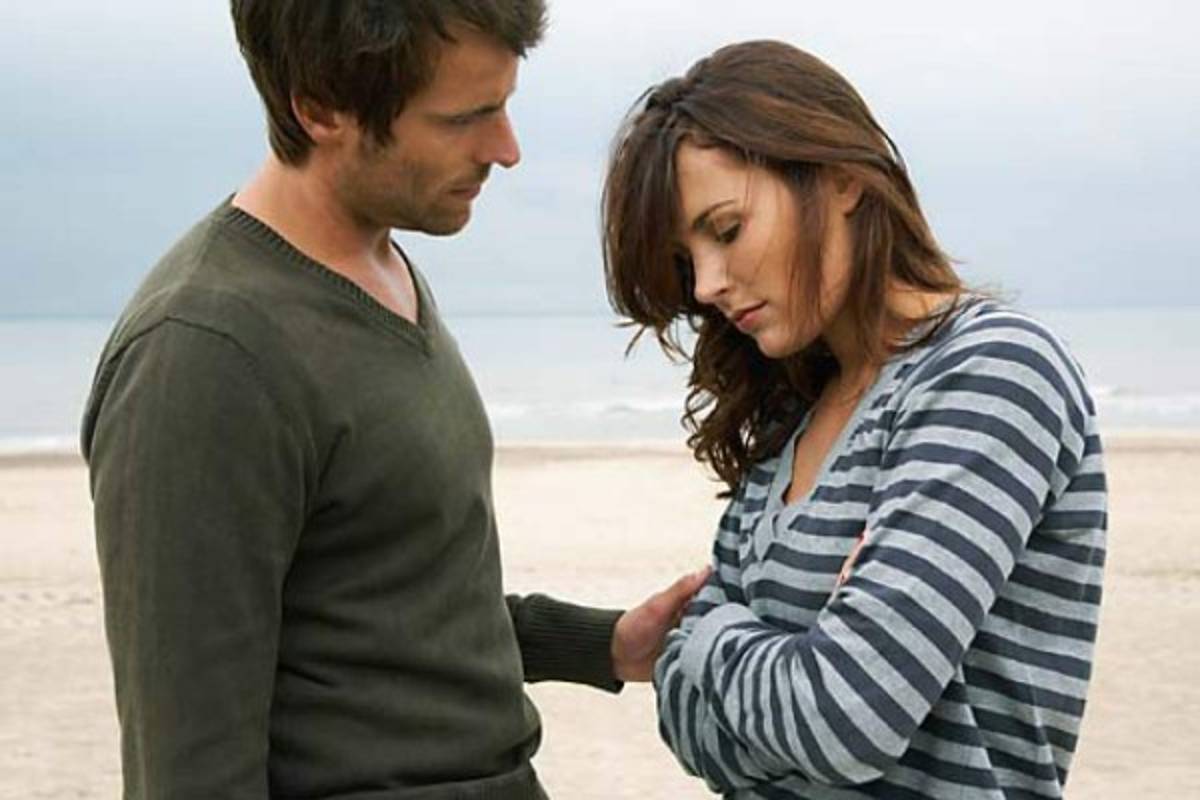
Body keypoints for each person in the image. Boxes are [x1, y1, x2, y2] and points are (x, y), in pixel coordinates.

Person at [80, 2, 707, 798]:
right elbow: (188, 767)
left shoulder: (383, 267)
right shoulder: (205, 353)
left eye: (504, 105)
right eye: (465, 118)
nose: (507, 149)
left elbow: (393, 605)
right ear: (320, 108)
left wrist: (604, 643)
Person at [602, 40, 1107, 799]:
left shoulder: (992, 368)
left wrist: (704, 634)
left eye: (727, 229)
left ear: (841, 178)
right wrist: (795, 675)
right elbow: (687, 727)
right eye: (686, 259)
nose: (705, 285)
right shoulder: (792, 412)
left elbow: (849, 719)